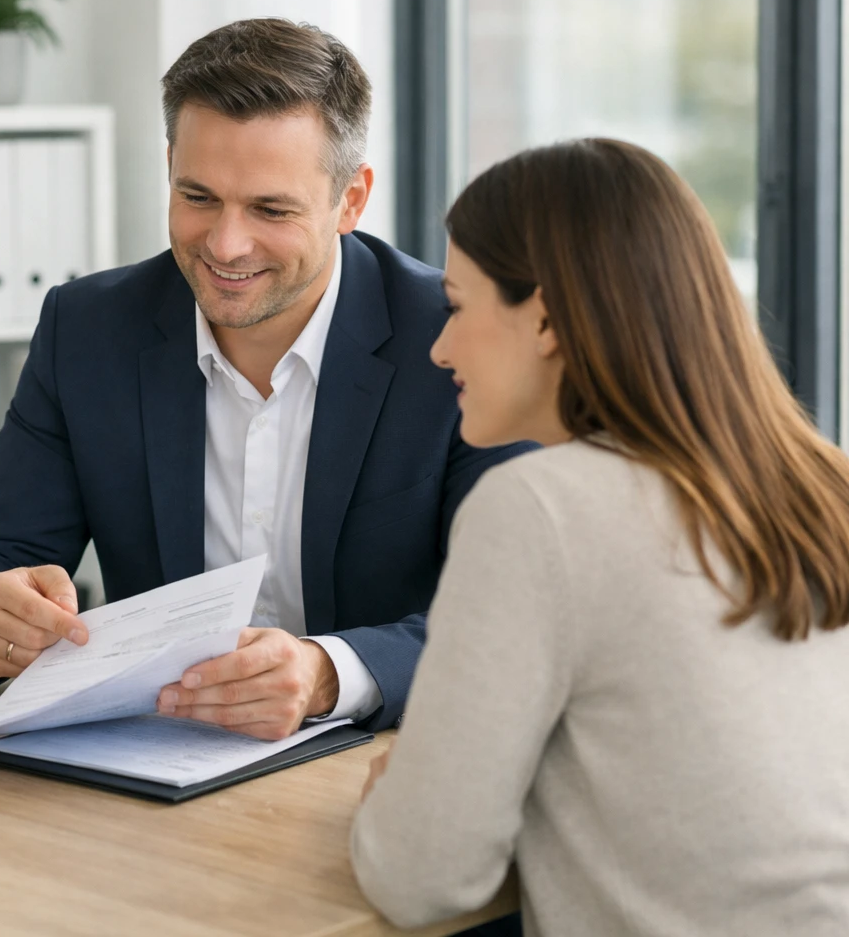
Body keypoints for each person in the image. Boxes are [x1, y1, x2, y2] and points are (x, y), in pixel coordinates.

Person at [0, 18, 531, 739]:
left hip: (386, 764)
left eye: (271, 209)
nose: (226, 245)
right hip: (159, 764)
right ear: (171, 165)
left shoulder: (460, 340)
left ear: (351, 201)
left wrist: (329, 673)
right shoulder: (89, 329)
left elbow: (517, 619)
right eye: (199, 197)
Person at [350, 138, 849, 936]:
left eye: (456, 306)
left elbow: (422, 878)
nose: (439, 348)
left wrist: (400, 796)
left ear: (543, 316)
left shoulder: (539, 509)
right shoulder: (822, 483)